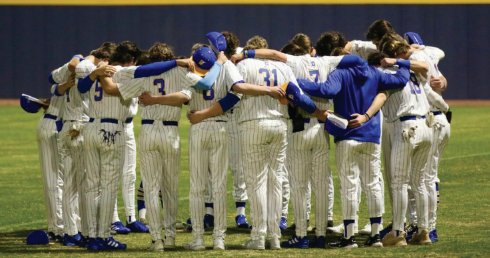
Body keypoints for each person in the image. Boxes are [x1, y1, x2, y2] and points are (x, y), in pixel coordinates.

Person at [296, 54, 412, 248]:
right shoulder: (374, 73)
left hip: (347, 135)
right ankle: (376, 235)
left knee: (349, 186)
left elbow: (326, 90)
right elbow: (401, 80)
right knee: (373, 184)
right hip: (371, 136)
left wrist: (298, 82)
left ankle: (349, 237)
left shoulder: (340, 73)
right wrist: (403, 62)